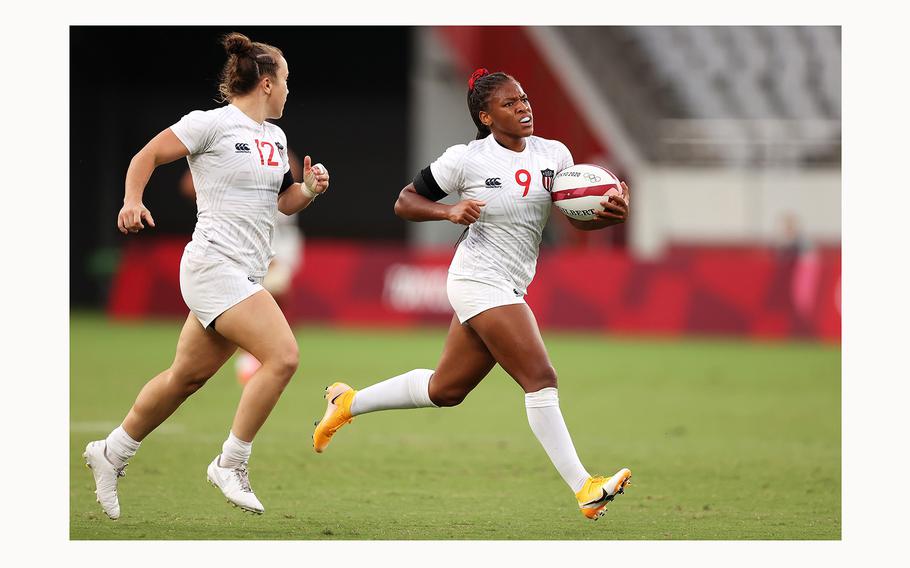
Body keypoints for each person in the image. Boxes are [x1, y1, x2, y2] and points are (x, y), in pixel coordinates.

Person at [313, 68, 631, 520]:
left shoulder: (555, 154)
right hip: (477, 279)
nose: (523, 107)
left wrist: (606, 215)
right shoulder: (466, 159)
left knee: (447, 389)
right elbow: (404, 201)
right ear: (486, 116)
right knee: (540, 377)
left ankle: (347, 403)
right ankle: (585, 488)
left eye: (524, 98)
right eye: (509, 103)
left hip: (510, 281)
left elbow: (573, 218)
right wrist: (448, 210)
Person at [83, 32, 330, 520]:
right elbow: (146, 156)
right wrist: (133, 200)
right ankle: (231, 462)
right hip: (213, 264)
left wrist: (308, 190)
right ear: (265, 83)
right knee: (282, 356)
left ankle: (111, 452)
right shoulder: (210, 124)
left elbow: (281, 204)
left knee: (185, 377)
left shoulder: (275, 138)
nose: (288, 89)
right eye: (285, 80)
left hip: (244, 272)